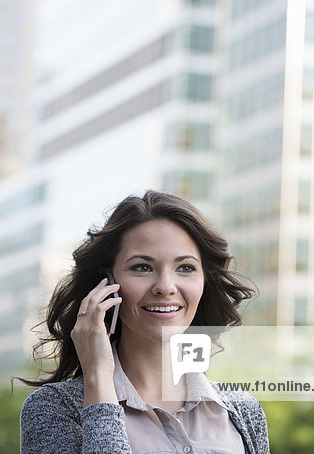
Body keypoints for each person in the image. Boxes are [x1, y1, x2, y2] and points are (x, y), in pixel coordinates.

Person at [20, 190, 269, 453]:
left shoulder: (243, 410)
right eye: (142, 267)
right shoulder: (55, 408)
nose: (165, 287)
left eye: (185, 267)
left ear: (204, 282)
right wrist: (97, 380)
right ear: (106, 283)